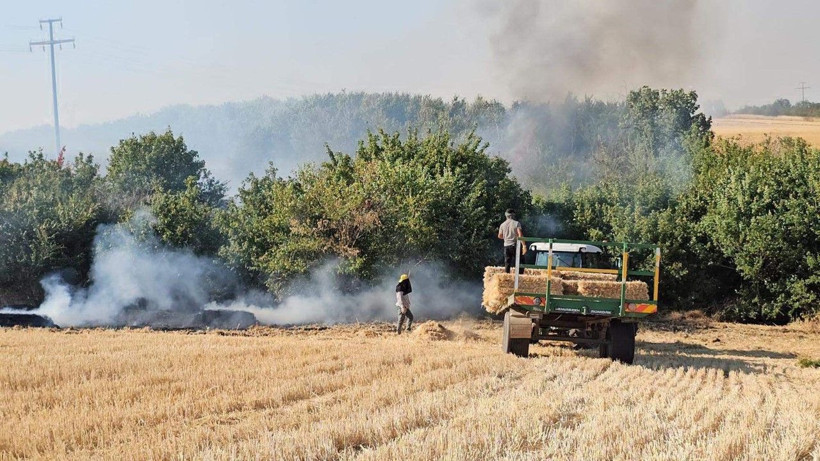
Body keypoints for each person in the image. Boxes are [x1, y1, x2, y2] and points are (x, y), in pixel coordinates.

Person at [498, 208, 525, 273]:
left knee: (507, 262)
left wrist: (507, 237)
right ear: (512, 215)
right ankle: (520, 276)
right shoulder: (516, 223)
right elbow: (520, 234)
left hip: (506, 245)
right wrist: (524, 245)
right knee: (520, 261)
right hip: (515, 245)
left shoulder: (502, 224)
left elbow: (499, 236)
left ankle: (506, 277)